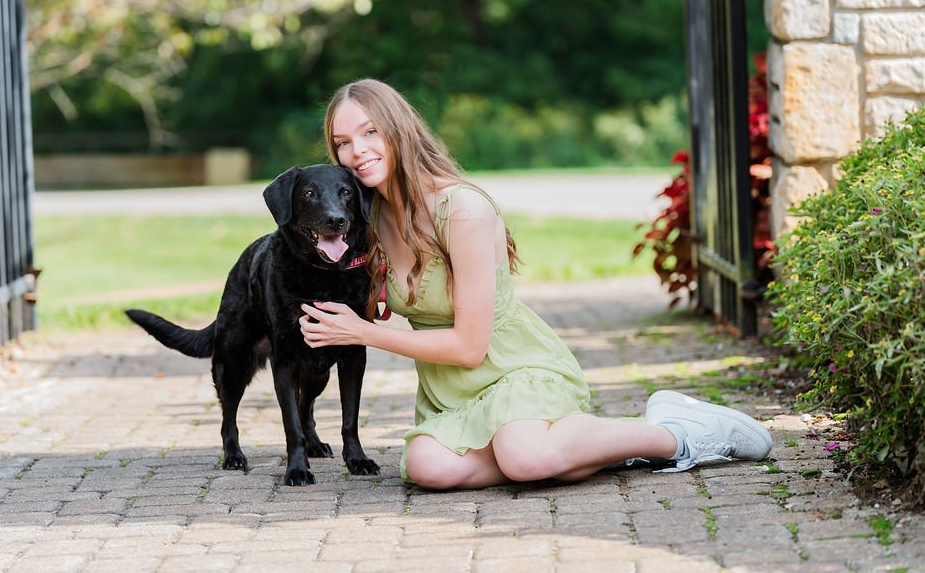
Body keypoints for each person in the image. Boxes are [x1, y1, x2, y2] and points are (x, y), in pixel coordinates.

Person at [298, 78, 772, 490]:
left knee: (525, 457)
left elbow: (469, 346)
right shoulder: (367, 218)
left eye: (370, 132)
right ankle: (580, 449)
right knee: (426, 467)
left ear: (398, 130)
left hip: (514, 368)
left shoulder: (460, 209)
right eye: (342, 142)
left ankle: (677, 432)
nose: (356, 151)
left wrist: (362, 332)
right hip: (452, 393)